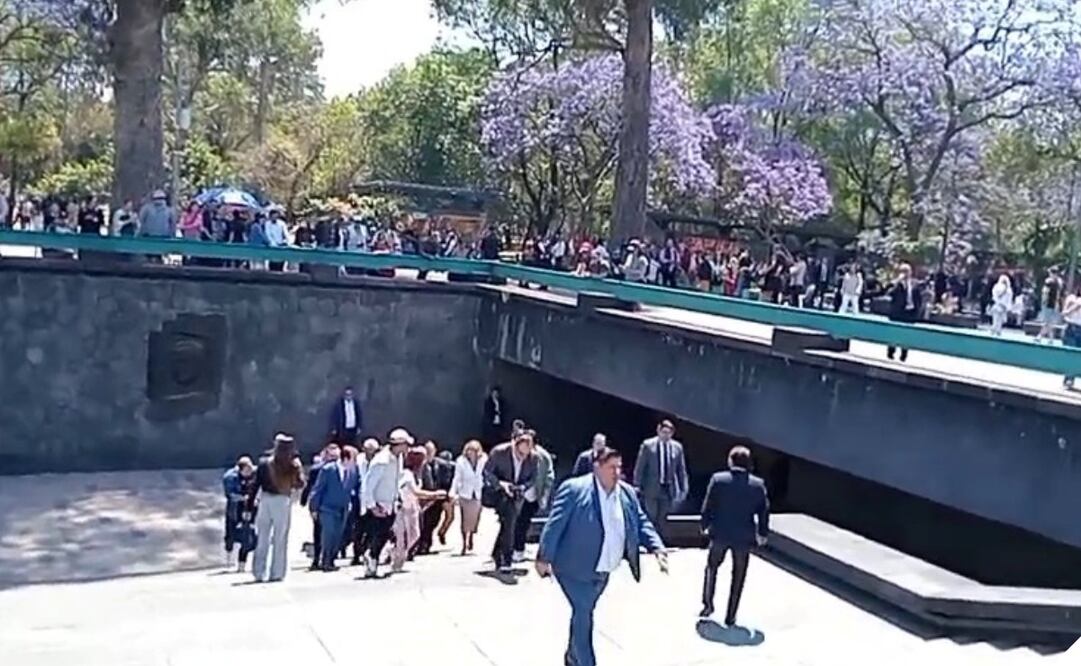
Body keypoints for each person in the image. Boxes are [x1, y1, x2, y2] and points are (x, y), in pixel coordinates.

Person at [536, 446, 667, 666]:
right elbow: (554, 524)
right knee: (583, 613)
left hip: (603, 570)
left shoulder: (626, 493)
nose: (617, 472)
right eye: (611, 467)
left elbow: (641, 521)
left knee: (583, 614)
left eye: (619, 467)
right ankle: (586, 661)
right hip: (573, 569)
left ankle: (572, 656)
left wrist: (657, 548)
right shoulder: (574, 489)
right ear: (597, 467)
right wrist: (543, 557)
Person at [699, 446, 770, 626]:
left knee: (712, 567)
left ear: (730, 460)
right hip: (743, 536)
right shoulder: (758, 484)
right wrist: (762, 533)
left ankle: (708, 604)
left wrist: (704, 525)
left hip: (720, 533)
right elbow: (763, 511)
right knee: (738, 575)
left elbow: (708, 505)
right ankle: (731, 615)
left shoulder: (718, 479)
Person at [359, 428, 413, 578]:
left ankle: (372, 560)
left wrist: (398, 498)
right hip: (379, 505)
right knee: (379, 535)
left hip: (391, 504)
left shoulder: (398, 459)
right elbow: (368, 485)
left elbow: (396, 479)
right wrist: (372, 506)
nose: (408, 448)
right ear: (399, 444)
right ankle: (371, 559)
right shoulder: (381, 461)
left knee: (385, 535)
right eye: (406, 445)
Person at [252, 434, 305, 583]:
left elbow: (255, 485)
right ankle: (277, 572)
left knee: (262, 537)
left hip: (265, 499)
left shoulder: (264, 463)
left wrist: (249, 506)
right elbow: (300, 484)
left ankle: (258, 572)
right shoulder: (292, 465)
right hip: (283, 500)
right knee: (280, 538)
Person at [483, 429, 538, 572]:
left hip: (517, 494)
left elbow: (532, 478)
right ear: (516, 445)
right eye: (521, 452)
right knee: (509, 521)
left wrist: (523, 487)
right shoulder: (499, 452)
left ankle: (498, 554)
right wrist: (501, 484)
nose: (523, 456)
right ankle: (506, 559)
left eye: (527, 453)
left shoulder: (533, 458)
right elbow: (487, 472)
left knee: (509, 522)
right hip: (498, 491)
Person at [392, 447, 446, 572]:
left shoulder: (418, 474)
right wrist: (435, 494)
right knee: (401, 537)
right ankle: (397, 562)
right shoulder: (406, 474)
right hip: (402, 508)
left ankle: (395, 552)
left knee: (415, 535)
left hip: (413, 508)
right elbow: (416, 492)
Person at [308, 443, 360, 571]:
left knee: (338, 535)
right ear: (346, 458)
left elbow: (355, 488)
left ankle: (331, 559)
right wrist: (314, 508)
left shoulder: (352, 471)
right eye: (353, 459)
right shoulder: (328, 469)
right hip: (327, 508)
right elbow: (318, 489)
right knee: (328, 534)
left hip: (343, 508)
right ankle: (326, 561)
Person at [633, 420, 689, 539]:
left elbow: (681, 469)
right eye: (663, 432)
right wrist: (637, 484)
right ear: (658, 431)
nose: (665, 435)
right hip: (651, 488)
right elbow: (640, 466)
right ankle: (650, 541)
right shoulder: (648, 446)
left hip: (668, 488)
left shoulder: (677, 447)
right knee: (651, 516)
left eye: (668, 433)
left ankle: (660, 541)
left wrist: (683, 486)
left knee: (663, 517)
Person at [513, 439, 555, 563]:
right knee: (514, 522)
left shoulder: (543, 456)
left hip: (533, 494)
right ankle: (513, 548)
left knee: (523, 523)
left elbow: (549, 477)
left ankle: (518, 549)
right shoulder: (518, 453)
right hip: (518, 493)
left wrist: (544, 496)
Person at [450, 439, 487, 555]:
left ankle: (471, 535)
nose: (472, 453)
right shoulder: (460, 461)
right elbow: (457, 477)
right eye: (470, 450)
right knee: (464, 520)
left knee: (475, 519)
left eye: (475, 451)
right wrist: (452, 492)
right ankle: (464, 543)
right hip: (465, 493)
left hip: (478, 493)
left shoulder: (484, 460)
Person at [221, 456, 255, 571]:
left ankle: (242, 564)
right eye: (247, 470)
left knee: (247, 536)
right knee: (230, 535)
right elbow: (230, 495)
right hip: (234, 509)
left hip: (247, 509)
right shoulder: (231, 477)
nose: (250, 472)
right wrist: (244, 498)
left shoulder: (253, 474)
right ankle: (228, 561)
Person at [886, 263, 923, 363]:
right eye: (903, 271)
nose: (906, 274)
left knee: (907, 335)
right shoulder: (896, 283)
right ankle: (891, 352)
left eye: (907, 271)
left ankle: (903, 355)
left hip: (910, 313)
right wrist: (897, 282)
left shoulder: (915, 283)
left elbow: (919, 298)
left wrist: (917, 310)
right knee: (894, 333)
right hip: (898, 313)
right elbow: (889, 293)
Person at [299, 446, 328, 570]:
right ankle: (320, 557)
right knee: (322, 531)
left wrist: (304, 500)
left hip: (320, 504)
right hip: (323, 504)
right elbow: (310, 486)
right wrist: (304, 499)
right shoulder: (317, 470)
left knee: (318, 531)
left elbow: (309, 486)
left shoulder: (316, 469)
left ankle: (318, 558)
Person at [1039, 267, 1064, 344]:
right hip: (1056, 304)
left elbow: (1045, 292)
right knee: (1049, 322)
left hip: (1048, 303)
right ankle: (1047, 337)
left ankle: (1043, 337)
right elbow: (1059, 294)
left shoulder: (1048, 281)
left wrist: (1043, 302)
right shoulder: (1060, 282)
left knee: (1047, 322)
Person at [1063, 285, 1081, 389]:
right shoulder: (1073, 299)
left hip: (1072, 326)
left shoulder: (1072, 298)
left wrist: (1067, 312)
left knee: (1071, 354)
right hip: (1074, 327)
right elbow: (1066, 311)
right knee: (1074, 355)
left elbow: (1065, 312)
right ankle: (1069, 378)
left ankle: (1069, 379)